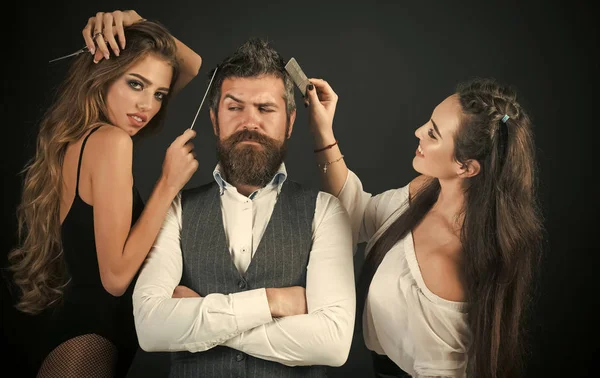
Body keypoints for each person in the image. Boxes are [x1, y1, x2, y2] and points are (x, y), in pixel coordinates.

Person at [132, 37, 356, 378]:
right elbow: (149, 329)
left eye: (266, 109)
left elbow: (333, 344)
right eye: (235, 108)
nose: (250, 122)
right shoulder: (175, 209)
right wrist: (273, 302)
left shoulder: (325, 211)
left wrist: (199, 323)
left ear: (291, 122)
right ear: (214, 118)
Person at [304, 77, 544, 377]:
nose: (418, 132)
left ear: (466, 167)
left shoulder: (447, 271)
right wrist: (322, 131)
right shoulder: (426, 190)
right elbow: (359, 215)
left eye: (433, 133)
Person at [7, 10, 202, 378]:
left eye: (159, 93)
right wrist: (168, 184)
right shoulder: (111, 142)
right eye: (135, 84)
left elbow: (192, 65)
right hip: (85, 347)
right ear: (104, 73)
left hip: (75, 340)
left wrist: (135, 20)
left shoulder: (82, 139)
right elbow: (115, 278)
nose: (147, 106)